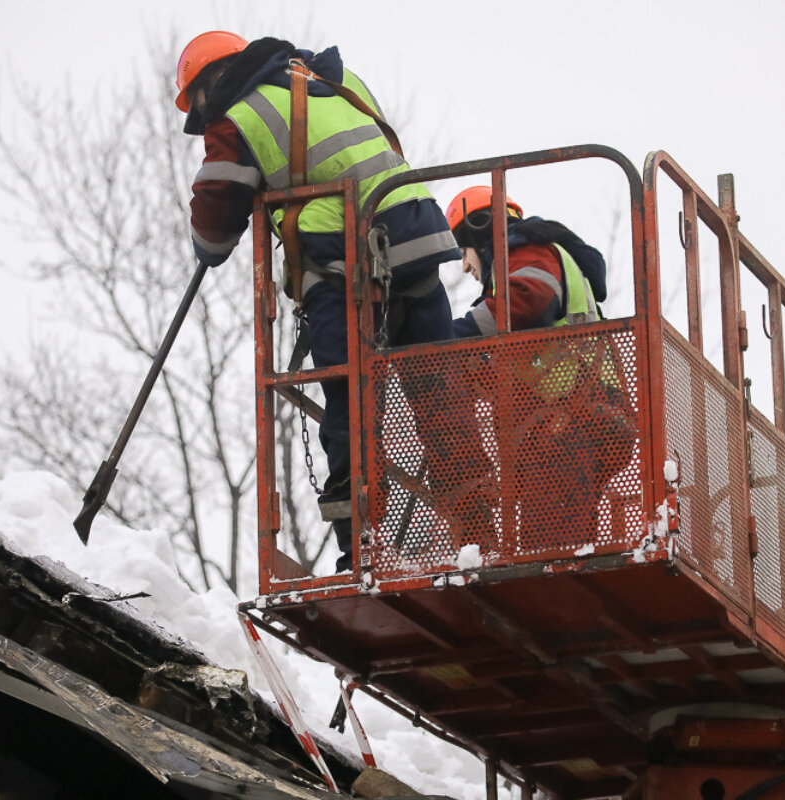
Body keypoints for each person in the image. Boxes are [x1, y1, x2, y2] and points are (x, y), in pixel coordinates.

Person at [175, 32, 465, 572]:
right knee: (438, 391)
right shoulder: (333, 77)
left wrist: (209, 244)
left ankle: (364, 550)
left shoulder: (238, 114)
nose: (202, 116)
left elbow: (215, 222)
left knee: (349, 394)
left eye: (197, 104)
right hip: (415, 230)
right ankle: (482, 527)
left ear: (212, 81)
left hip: (342, 258)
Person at [444, 187, 636, 549]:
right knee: (567, 541)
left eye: (462, 251)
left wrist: (452, 337)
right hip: (579, 418)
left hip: (568, 420)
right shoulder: (525, 258)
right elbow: (528, 353)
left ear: (478, 229)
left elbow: (530, 300)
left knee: (548, 552)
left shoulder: (525, 249)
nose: (465, 266)